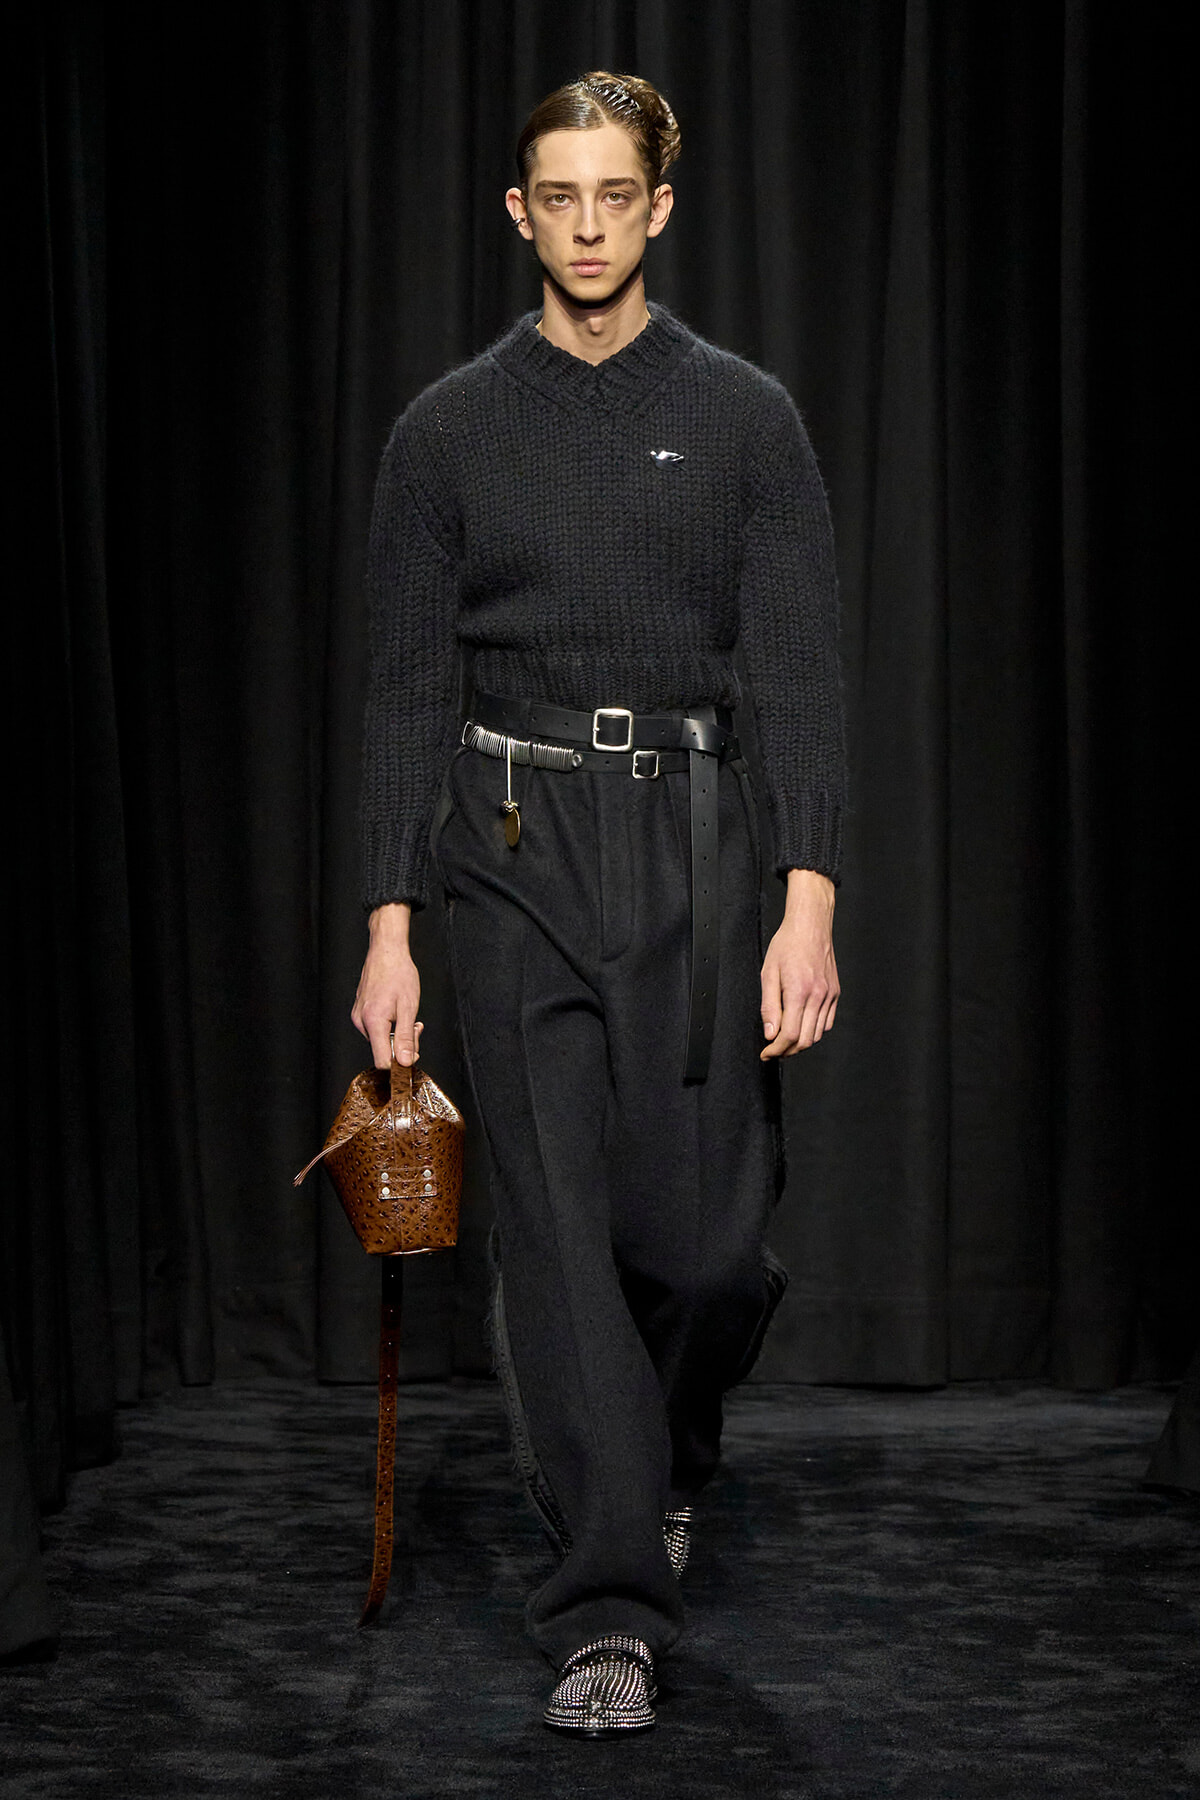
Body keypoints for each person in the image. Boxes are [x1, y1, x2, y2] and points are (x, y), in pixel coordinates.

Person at [351, 70, 846, 1737]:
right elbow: (403, 691)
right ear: (519, 213)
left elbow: (799, 673)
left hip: (697, 839)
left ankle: (663, 1458)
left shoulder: (745, 419)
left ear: (659, 208)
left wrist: (807, 899)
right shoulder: (447, 432)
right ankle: (607, 1607)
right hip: (509, 840)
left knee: (707, 1260)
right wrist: (390, 922)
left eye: (613, 196)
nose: (584, 226)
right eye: (556, 197)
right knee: (557, 1236)